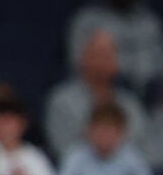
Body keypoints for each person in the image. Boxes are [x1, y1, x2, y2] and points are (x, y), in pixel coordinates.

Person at [67, 0, 163, 94]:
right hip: (105, 89)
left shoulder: (150, 20)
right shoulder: (87, 20)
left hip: (153, 90)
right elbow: (77, 61)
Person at [45, 29, 147, 160]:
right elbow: (63, 149)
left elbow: (140, 146)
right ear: (81, 59)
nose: (103, 61)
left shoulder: (129, 104)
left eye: (109, 55)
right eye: (98, 54)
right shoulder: (62, 101)